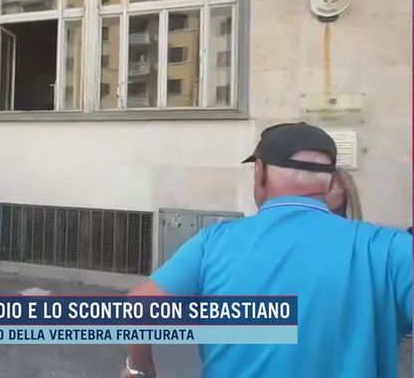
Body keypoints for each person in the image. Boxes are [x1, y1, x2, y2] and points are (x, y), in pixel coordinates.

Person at [121, 122, 412, 378]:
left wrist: (140, 369)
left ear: (260, 172)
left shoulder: (213, 243)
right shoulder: (391, 249)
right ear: (328, 181)